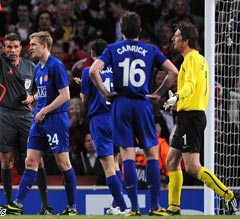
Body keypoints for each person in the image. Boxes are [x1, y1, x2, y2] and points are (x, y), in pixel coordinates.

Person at [89, 11, 178, 216]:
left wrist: (104, 92)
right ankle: (154, 206)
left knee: (127, 155)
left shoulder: (113, 49)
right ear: (139, 30)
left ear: (122, 30)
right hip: (142, 103)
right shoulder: (151, 49)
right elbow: (173, 71)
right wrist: (158, 94)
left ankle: (134, 208)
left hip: (121, 103)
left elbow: (94, 70)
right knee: (151, 154)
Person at [162, 21, 240, 215]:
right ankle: (173, 208)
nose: (174, 39)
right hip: (186, 117)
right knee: (171, 161)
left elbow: (190, 85)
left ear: (186, 40)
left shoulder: (192, 59)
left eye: (177, 36)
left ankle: (229, 195)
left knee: (192, 167)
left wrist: (178, 96)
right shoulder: (195, 59)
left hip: (192, 117)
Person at [0, 8, 54, 215]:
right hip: (4, 115)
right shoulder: (0, 63)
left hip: (26, 117)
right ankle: (9, 204)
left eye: (15, 47)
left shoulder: (32, 67)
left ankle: (45, 205)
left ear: (21, 48)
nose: (12, 50)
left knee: (37, 160)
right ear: (4, 49)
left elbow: (41, 92)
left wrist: (33, 97)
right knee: (7, 160)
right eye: (8, 47)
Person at [7, 31, 77, 215]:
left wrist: (44, 110)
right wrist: (33, 98)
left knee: (63, 163)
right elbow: (45, 92)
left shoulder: (57, 66)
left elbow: (65, 95)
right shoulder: (38, 68)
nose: (30, 48)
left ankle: (72, 207)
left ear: (45, 46)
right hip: (39, 121)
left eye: (33, 44)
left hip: (55, 120)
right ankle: (17, 205)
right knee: (30, 161)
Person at [80, 38, 128, 215]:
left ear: (92, 54)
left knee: (108, 166)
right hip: (117, 117)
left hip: (100, 120)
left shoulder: (88, 71)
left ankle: (123, 207)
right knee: (115, 164)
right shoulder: (116, 70)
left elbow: (84, 99)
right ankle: (117, 206)